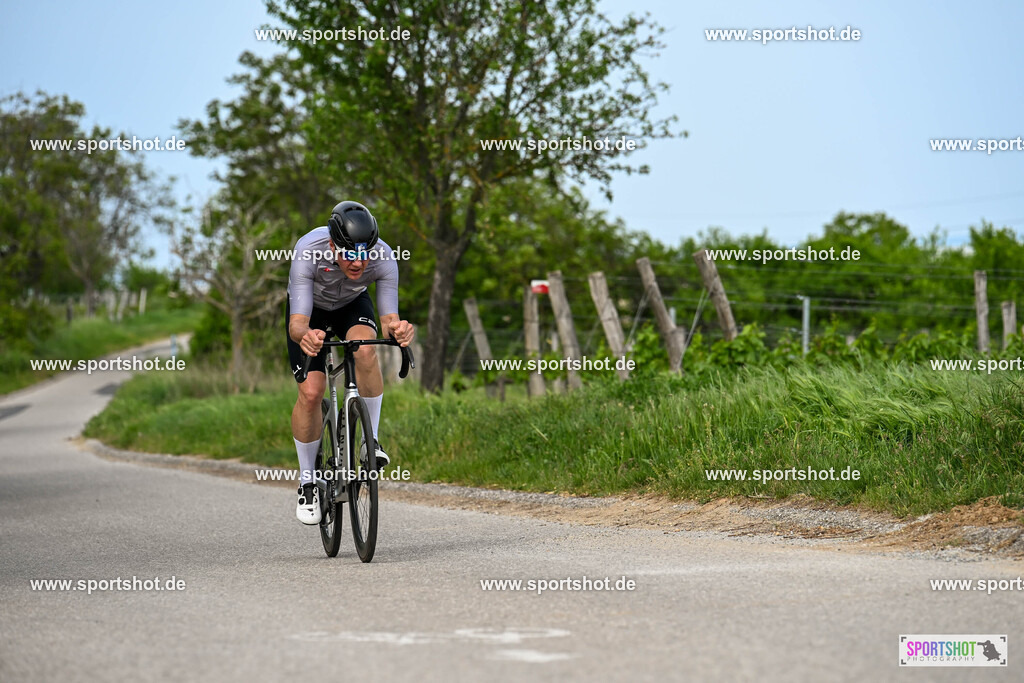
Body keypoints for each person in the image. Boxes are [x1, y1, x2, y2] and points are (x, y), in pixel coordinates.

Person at [285, 200, 414, 525]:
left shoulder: (384, 256)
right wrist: (306, 336)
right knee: (312, 393)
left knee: (366, 351)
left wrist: (399, 329)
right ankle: (308, 482)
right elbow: (297, 324)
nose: (358, 262)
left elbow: (389, 320)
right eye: (349, 254)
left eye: (364, 254)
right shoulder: (308, 249)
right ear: (332, 245)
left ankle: (370, 442)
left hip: (352, 302)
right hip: (310, 310)